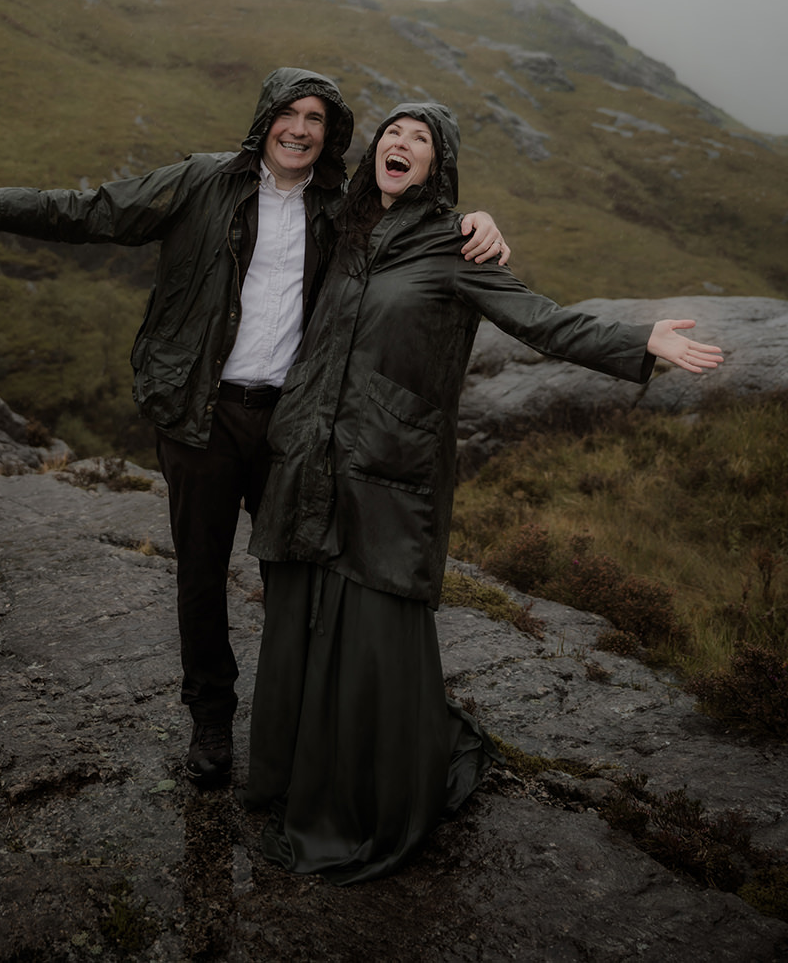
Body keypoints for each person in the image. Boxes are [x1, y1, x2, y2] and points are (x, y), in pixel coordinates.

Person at [0, 69, 510, 785]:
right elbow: (94, 210)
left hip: (290, 424)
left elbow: (406, 222)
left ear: (332, 133)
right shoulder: (201, 180)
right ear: (265, 119)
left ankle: (303, 720)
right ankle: (213, 720)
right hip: (202, 415)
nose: (300, 128)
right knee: (200, 573)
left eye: (316, 118)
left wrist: (478, 220)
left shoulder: (337, 206)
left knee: (297, 569)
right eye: (288, 113)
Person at [243, 101, 724, 885]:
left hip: (389, 468)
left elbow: (538, 319)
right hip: (308, 462)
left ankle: (371, 799)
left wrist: (638, 339)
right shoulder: (343, 229)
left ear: (439, 164)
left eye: (420, 139)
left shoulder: (455, 245)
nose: (400, 144)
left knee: (372, 638)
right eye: (392, 133)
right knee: (301, 624)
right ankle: (290, 778)